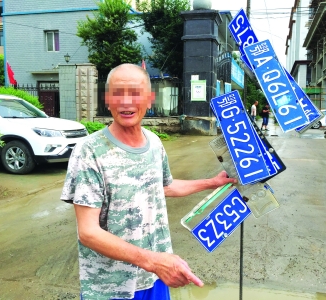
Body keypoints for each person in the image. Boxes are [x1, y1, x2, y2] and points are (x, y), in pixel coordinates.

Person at [60, 63, 236, 300]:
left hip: (153, 280)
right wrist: (154, 261)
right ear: (107, 100)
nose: (126, 102)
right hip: (111, 287)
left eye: (135, 93)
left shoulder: (154, 143)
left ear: (149, 99)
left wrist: (212, 182)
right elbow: (88, 232)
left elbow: (163, 187)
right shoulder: (89, 151)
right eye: (118, 93)